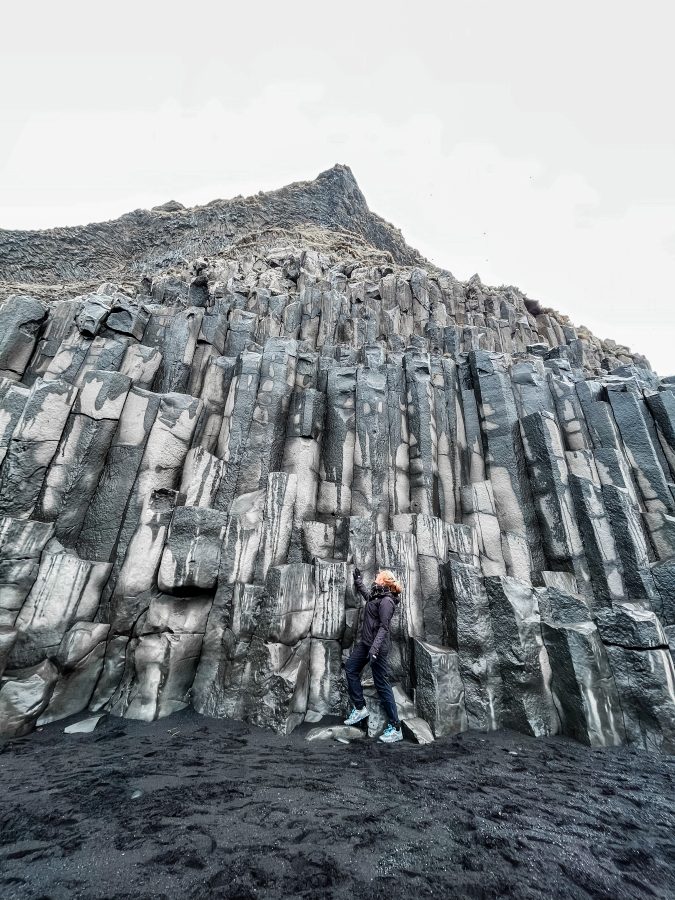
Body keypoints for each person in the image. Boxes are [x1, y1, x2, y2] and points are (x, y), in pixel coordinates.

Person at [343, 567, 403, 743]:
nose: (376, 576)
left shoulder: (387, 601)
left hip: (377, 648)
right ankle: (360, 708)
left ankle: (396, 727)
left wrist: (374, 650)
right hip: (366, 645)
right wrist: (358, 581)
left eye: (378, 575)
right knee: (351, 668)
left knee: (382, 684)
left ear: (384, 581)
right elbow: (367, 597)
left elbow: (384, 628)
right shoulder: (377, 596)